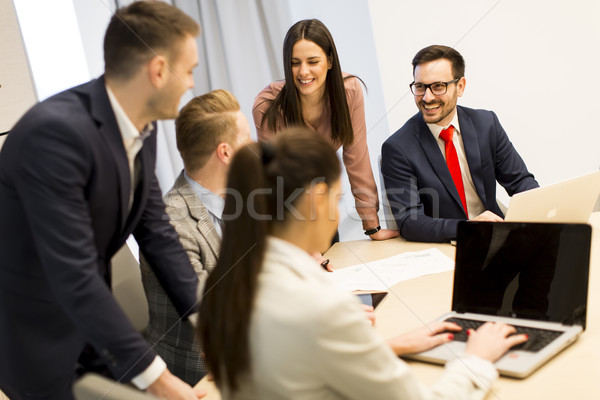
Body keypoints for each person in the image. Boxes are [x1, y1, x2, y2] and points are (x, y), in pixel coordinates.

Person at [198, 128, 528, 399]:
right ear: (315, 198)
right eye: (338, 198)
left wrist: (379, 345)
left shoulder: (224, 284)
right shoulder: (320, 308)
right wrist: (477, 359)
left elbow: (290, 363)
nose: (339, 212)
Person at [0, 2, 206, 399]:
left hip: (97, 326)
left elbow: (158, 233)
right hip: (38, 338)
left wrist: (208, 322)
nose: (192, 84)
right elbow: (74, 276)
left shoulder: (141, 126)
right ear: (159, 70)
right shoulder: (55, 136)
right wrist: (161, 381)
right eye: (190, 71)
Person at [252, 19, 398, 259]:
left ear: (330, 61)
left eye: (313, 61)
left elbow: (356, 157)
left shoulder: (349, 91)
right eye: (294, 63)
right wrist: (306, 245)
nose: (303, 72)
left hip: (321, 212)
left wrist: (371, 224)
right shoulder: (267, 106)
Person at [141, 89, 251, 385]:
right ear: (226, 152)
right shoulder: (170, 222)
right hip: (198, 372)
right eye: (247, 139)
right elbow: (215, 306)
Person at [381, 45, 538, 243]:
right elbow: (409, 222)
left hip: (497, 238)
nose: (427, 97)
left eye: (438, 86)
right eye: (420, 87)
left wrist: (542, 209)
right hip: (448, 245)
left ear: (460, 86)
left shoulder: (486, 124)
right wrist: (466, 229)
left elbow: (520, 181)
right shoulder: (398, 148)